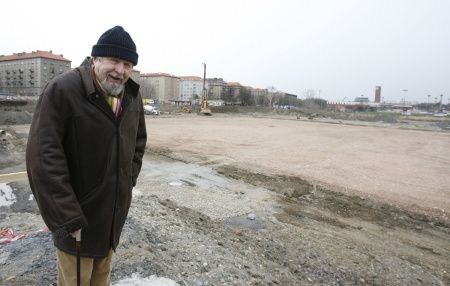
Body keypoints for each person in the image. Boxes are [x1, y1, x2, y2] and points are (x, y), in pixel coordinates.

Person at [26, 26, 147, 285]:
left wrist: (126, 182)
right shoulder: (63, 90)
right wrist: (67, 217)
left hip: (111, 217)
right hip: (76, 222)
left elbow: (138, 142)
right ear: (96, 59)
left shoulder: (131, 96)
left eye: (127, 64)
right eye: (114, 60)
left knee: (101, 279)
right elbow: (43, 158)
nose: (121, 70)